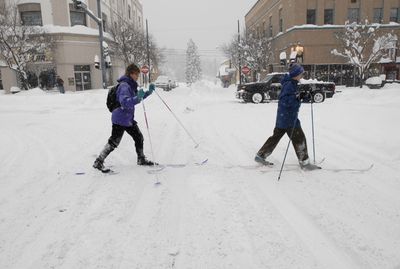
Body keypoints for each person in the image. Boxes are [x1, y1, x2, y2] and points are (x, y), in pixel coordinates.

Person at [254, 63, 321, 171]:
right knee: (299, 138)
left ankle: (261, 155)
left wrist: (304, 96)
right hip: (289, 119)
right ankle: (305, 163)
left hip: (283, 118)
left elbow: (293, 98)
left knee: (275, 138)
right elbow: (286, 101)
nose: (302, 76)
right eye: (301, 73)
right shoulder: (290, 84)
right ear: (296, 74)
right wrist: (298, 97)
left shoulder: (291, 83)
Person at [93, 63, 156, 172]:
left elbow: (137, 97)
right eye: (136, 74)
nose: (137, 77)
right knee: (114, 141)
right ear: (131, 74)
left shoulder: (130, 85)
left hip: (127, 118)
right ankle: (98, 161)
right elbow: (125, 102)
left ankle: (141, 159)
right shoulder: (124, 86)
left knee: (138, 137)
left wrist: (148, 93)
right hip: (121, 117)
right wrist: (138, 98)